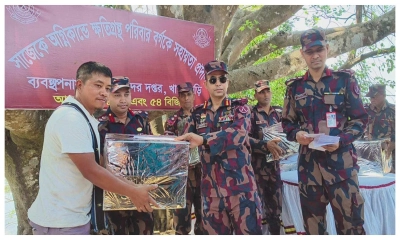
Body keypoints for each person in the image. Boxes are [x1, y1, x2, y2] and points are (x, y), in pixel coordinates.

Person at [27, 62, 158, 235]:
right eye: (98, 85)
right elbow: (91, 170)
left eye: (107, 87)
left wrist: (135, 188)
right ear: (79, 84)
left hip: (75, 218)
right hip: (61, 222)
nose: (104, 92)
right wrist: (133, 192)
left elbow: (102, 166)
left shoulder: (85, 119)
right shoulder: (70, 118)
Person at [281, 28, 368, 235]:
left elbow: (359, 119)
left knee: (352, 228)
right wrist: (297, 135)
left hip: (341, 169)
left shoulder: (344, 81)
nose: (315, 55)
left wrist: (341, 140)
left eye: (319, 50)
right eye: (310, 52)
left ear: (327, 49)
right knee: (314, 231)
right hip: (309, 173)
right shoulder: (295, 88)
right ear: (303, 54)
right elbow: (287, 123)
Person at [175, 60, 262, 235]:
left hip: (241, 191)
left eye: (222, 79)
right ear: (205, 84)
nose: (218, 84)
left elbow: (238, 135)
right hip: (211, 194)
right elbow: (183, 142)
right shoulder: (197, 114)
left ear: (228, 82)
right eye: (213, 80)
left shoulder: (241, 108)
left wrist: (204, 139)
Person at [97, 76, 155, 235]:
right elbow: (99, 164)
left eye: (126, 94)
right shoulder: (101, 125)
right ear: (108, 96)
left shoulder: (141, 120)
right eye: (117, 95)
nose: (123, 99)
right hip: (114, 194)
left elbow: (149, 152)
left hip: (141, 192)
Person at [164, 82, 205, 235]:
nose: (186, 98)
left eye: (189, 94)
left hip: (203, 174)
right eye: (182, 95)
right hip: (183, 176)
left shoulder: (203, 115)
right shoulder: (172, 120)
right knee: (181, 221)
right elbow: (168, 146)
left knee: (204, 218)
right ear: (178, 98)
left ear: (194, 95)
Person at [248, 80, 283, 235]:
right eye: (261, 92)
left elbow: (287, 136)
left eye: (267, 91)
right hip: (257, 170)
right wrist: (264, 145)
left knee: (276, 211)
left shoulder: (279, 113)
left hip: (275, 169)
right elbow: (244, 139)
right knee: (256, 211)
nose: (265, 94)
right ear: (255, 95)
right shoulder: (250, 114)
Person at [364, 84, 395, 173]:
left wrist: (390, 147)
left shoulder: (393, 110)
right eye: (370, 97)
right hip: (368, 154)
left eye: (374, 96)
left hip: (389, 153)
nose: (371, 99)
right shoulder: (365, 110)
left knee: (389, 179)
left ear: (384, 95)